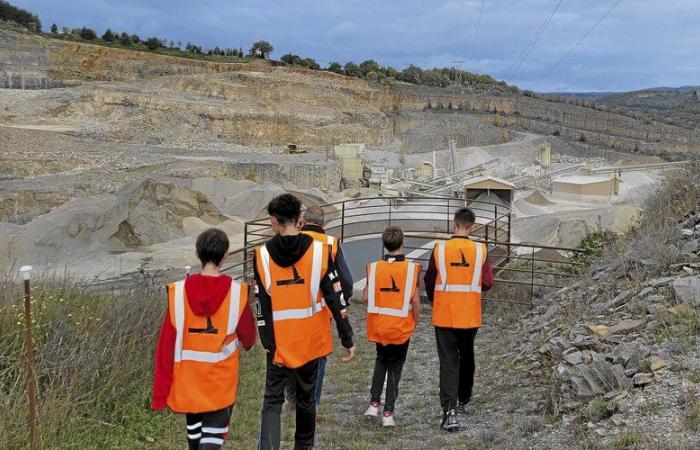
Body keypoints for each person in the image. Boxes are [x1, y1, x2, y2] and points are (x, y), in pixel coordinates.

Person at [255, 193, 355, 450]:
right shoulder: (321, 252)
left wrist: (267, 342)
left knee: (273, 401)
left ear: (273, 221)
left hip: (278, 342)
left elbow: (261, 306)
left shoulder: (262, 256)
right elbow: (335, 296)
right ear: (299, 219)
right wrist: (346, 336)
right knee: (306, 399)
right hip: (310, 340)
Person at [151, 228, 257, 449]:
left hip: (188, 384)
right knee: (210, 443)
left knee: (195, 442)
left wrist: (161, 392)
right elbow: (249, 338)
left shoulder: (178, 293)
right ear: (226, 254)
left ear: (197, 254)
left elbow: (165, 346)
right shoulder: (237, 293)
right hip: (220, 384)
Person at [423, 207, 494, 432]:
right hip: (470, 313)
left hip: (444, 313)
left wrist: (436, 300)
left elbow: (429, 278)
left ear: (454, 223)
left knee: (448, 361)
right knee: (467, 357)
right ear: (471, 227)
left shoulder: (440, 249)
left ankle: (449, 410)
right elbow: (488, 282)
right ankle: (463, 399)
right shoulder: (481, 250)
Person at [284, 205, 354, 417]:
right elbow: (346, 281)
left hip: (289, 307)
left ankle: (292, 397)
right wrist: (342, 302)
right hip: (320, 309)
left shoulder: (289, 242)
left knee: (292, 352)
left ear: (303, 221)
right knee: (318, 356)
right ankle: (312, 405)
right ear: (323, 223)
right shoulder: (330, 244)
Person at [361, 226, 421, 427]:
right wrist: (417, 320)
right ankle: (388, 412)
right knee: (395, 368)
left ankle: (373, 403)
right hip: (400, 328)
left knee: (381, 361)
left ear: (384, 244)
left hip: (380, 326)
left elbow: (366, 296)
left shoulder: (375, 268)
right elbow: (415, 301)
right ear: (402, 243)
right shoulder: (411, 269)